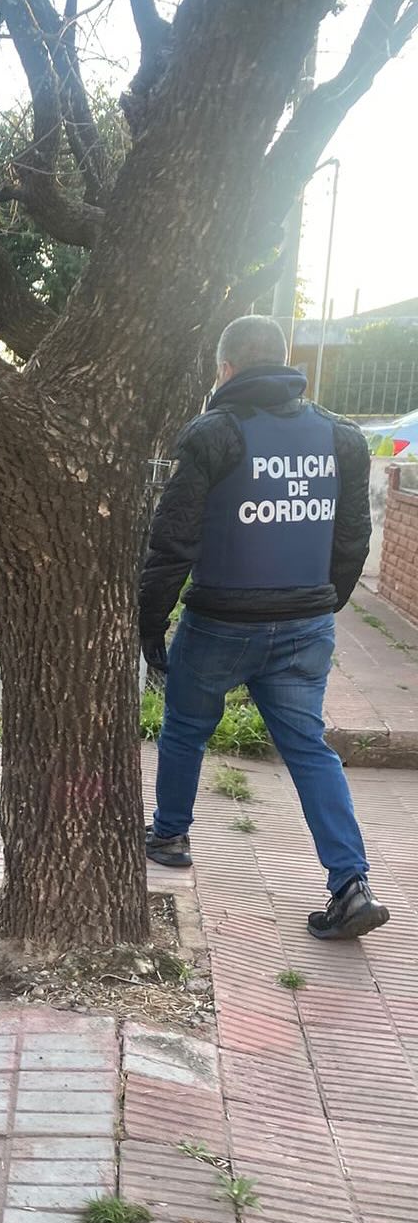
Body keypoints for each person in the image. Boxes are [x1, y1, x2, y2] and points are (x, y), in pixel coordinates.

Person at [141, 314, 388, 942]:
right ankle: (352, 884)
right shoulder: (341, 437)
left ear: (226, 369)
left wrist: (150, 624)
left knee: (186, 728)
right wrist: (320, 606)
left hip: (220, 624)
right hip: (305, 624)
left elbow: (172, 543)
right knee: (308, 747)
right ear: (284, 362)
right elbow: (352, 538)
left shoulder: (214, 434)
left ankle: (170, 836)